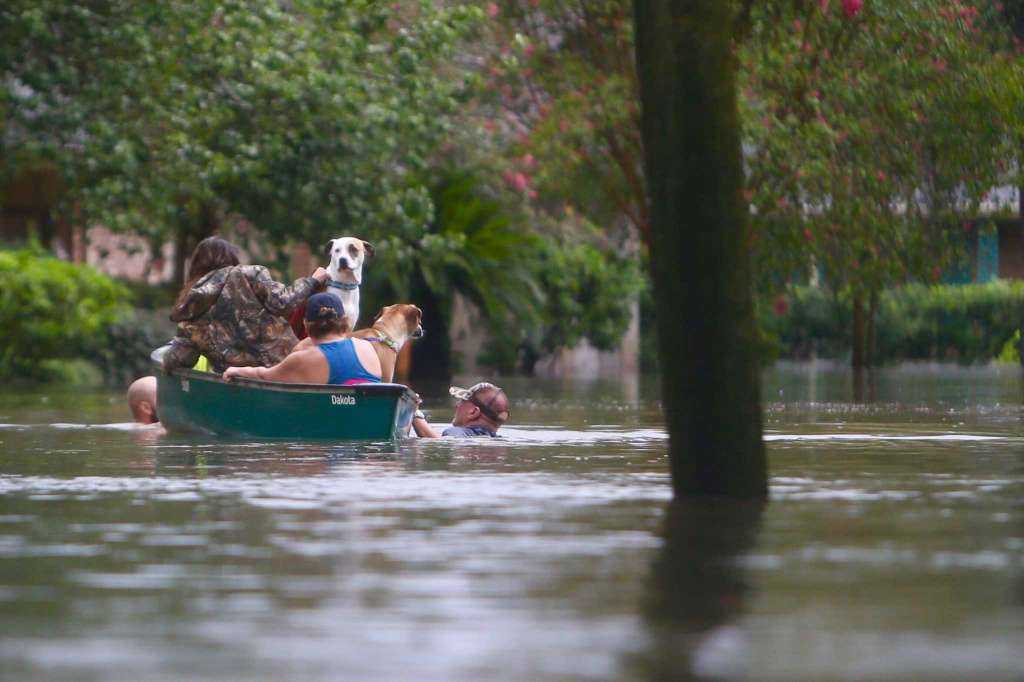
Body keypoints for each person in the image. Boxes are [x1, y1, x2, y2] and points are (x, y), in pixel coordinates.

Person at [163, 236, 330, 373]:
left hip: (240, 386)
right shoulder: (248, 275)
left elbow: (180, 359)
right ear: (231, 258)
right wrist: (313, 280)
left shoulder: (190, 310)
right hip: (283, 371)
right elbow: (284, 303)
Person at [222, 293, 382, 385]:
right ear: (345, 320)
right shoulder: (367, 347)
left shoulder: (304, 358)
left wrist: (236, 370)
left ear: (306, 324)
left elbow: (264, 375)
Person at [412, 382, 510, 438]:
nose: (457, 405)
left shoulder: (456, 432)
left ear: (473, 412)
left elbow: (439, 442)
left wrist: (414, 412)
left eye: (462, 401)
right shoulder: (496, 440)